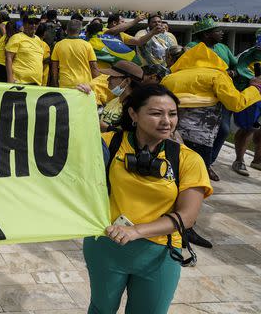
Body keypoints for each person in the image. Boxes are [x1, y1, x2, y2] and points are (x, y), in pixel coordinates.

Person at [85, 84, 212, 314]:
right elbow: (64, 144)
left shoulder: (188, 160)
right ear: (133, 114)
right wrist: (77, 102)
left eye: (172, 114)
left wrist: (136, 231)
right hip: (106, 244)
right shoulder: (108, 143)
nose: (167, 121)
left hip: (160, 254)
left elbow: (188, 216)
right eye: (156, 113)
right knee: (100, 309)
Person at [162, 42, 261, 182]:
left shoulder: (170, 78)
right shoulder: (217, 76)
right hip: (201, 138)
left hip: (170, 134)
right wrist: (255, 88)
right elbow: (236, 103)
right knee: (193, 179)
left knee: (170, 173)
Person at [185, 18, 237, 176]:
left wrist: (233, 73)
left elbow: (236, 66)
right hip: (202, 97)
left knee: (223, 130)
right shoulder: (193, 47)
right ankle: (197, 163)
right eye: (217, 30)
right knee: (201, 133)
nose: (221, 33)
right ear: (207, 34)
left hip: (222, 95)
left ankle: (208, 162)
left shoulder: (223, 48)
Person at [230, 30, 261, 175]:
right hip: (251, 95)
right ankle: (239, 160)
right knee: (248, 128)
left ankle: (258, 160)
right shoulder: (249, 54)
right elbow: (241, 69)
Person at [50, 19, 100, 88]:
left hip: (65, 84)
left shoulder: (58, 45)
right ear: (80, 31)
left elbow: (54, 67)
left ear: (66, 31)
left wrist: (55, 83)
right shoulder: (87, 45)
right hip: (84, 86)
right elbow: (94, 67)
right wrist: (96, 85)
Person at [98, 61, 144, 132]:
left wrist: (107, 128)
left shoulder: (136, 107)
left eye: (113, 77)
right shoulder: (114, 100)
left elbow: (134, 136)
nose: (108, 79)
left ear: (127, 81)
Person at [5, 11, 49, 85]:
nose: (34, 25)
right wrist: (10, 79)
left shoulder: (38, 39)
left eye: (36, 23)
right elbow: (8, 58)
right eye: (31, 23)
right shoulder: (16, 37)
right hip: (20, 82)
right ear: (24, 24)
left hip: (36, 82)